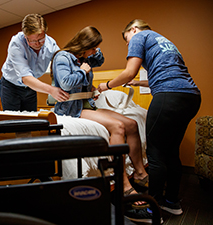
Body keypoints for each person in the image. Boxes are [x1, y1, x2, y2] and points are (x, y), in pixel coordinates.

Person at [98, 19, 201, 222]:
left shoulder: (139, 36)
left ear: (133, 30)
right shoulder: (164, 41)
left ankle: (153, 210)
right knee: (171, 151)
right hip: (190, 96)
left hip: (168, 95)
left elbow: (129, 71)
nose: (128, 44)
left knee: (156, 154)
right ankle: (171, 203)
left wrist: (106, 85)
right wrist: (138, 82)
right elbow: (164, 72)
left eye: (126, 39)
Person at [51, 26, 149, 207]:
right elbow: (65, 83)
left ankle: (140, 173)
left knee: (131, 123)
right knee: (118, 127)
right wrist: (83, 71)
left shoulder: (84, 58)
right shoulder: (62, 57)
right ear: (84, 45)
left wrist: (94, 52)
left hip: (88, 104)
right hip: (72, 108)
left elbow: (100, 59)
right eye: (93, 47)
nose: (95, 52)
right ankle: (123, 183)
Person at [0, 14, 69, 111]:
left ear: (45, 33)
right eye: (32, 41)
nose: (37, 44)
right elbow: (26, 78)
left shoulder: (51, 44)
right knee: (12, 122)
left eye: (41, 39)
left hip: (31, 88)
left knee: (31, 121)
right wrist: (51, 90)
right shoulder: (16, 44)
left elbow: (63, 63)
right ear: (25, 36)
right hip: (11, 87)